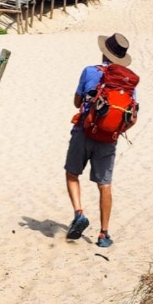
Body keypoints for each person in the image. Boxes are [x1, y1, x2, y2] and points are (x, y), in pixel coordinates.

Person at [65, 32, 139, 248]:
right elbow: (131, 116)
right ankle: (103, 234)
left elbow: (77, 102)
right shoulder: (128, 82)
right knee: (104, 185)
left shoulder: (90, 71)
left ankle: (79, 213)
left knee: (72, 174)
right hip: (108, 138)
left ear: (103, 51)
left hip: (83, 131)